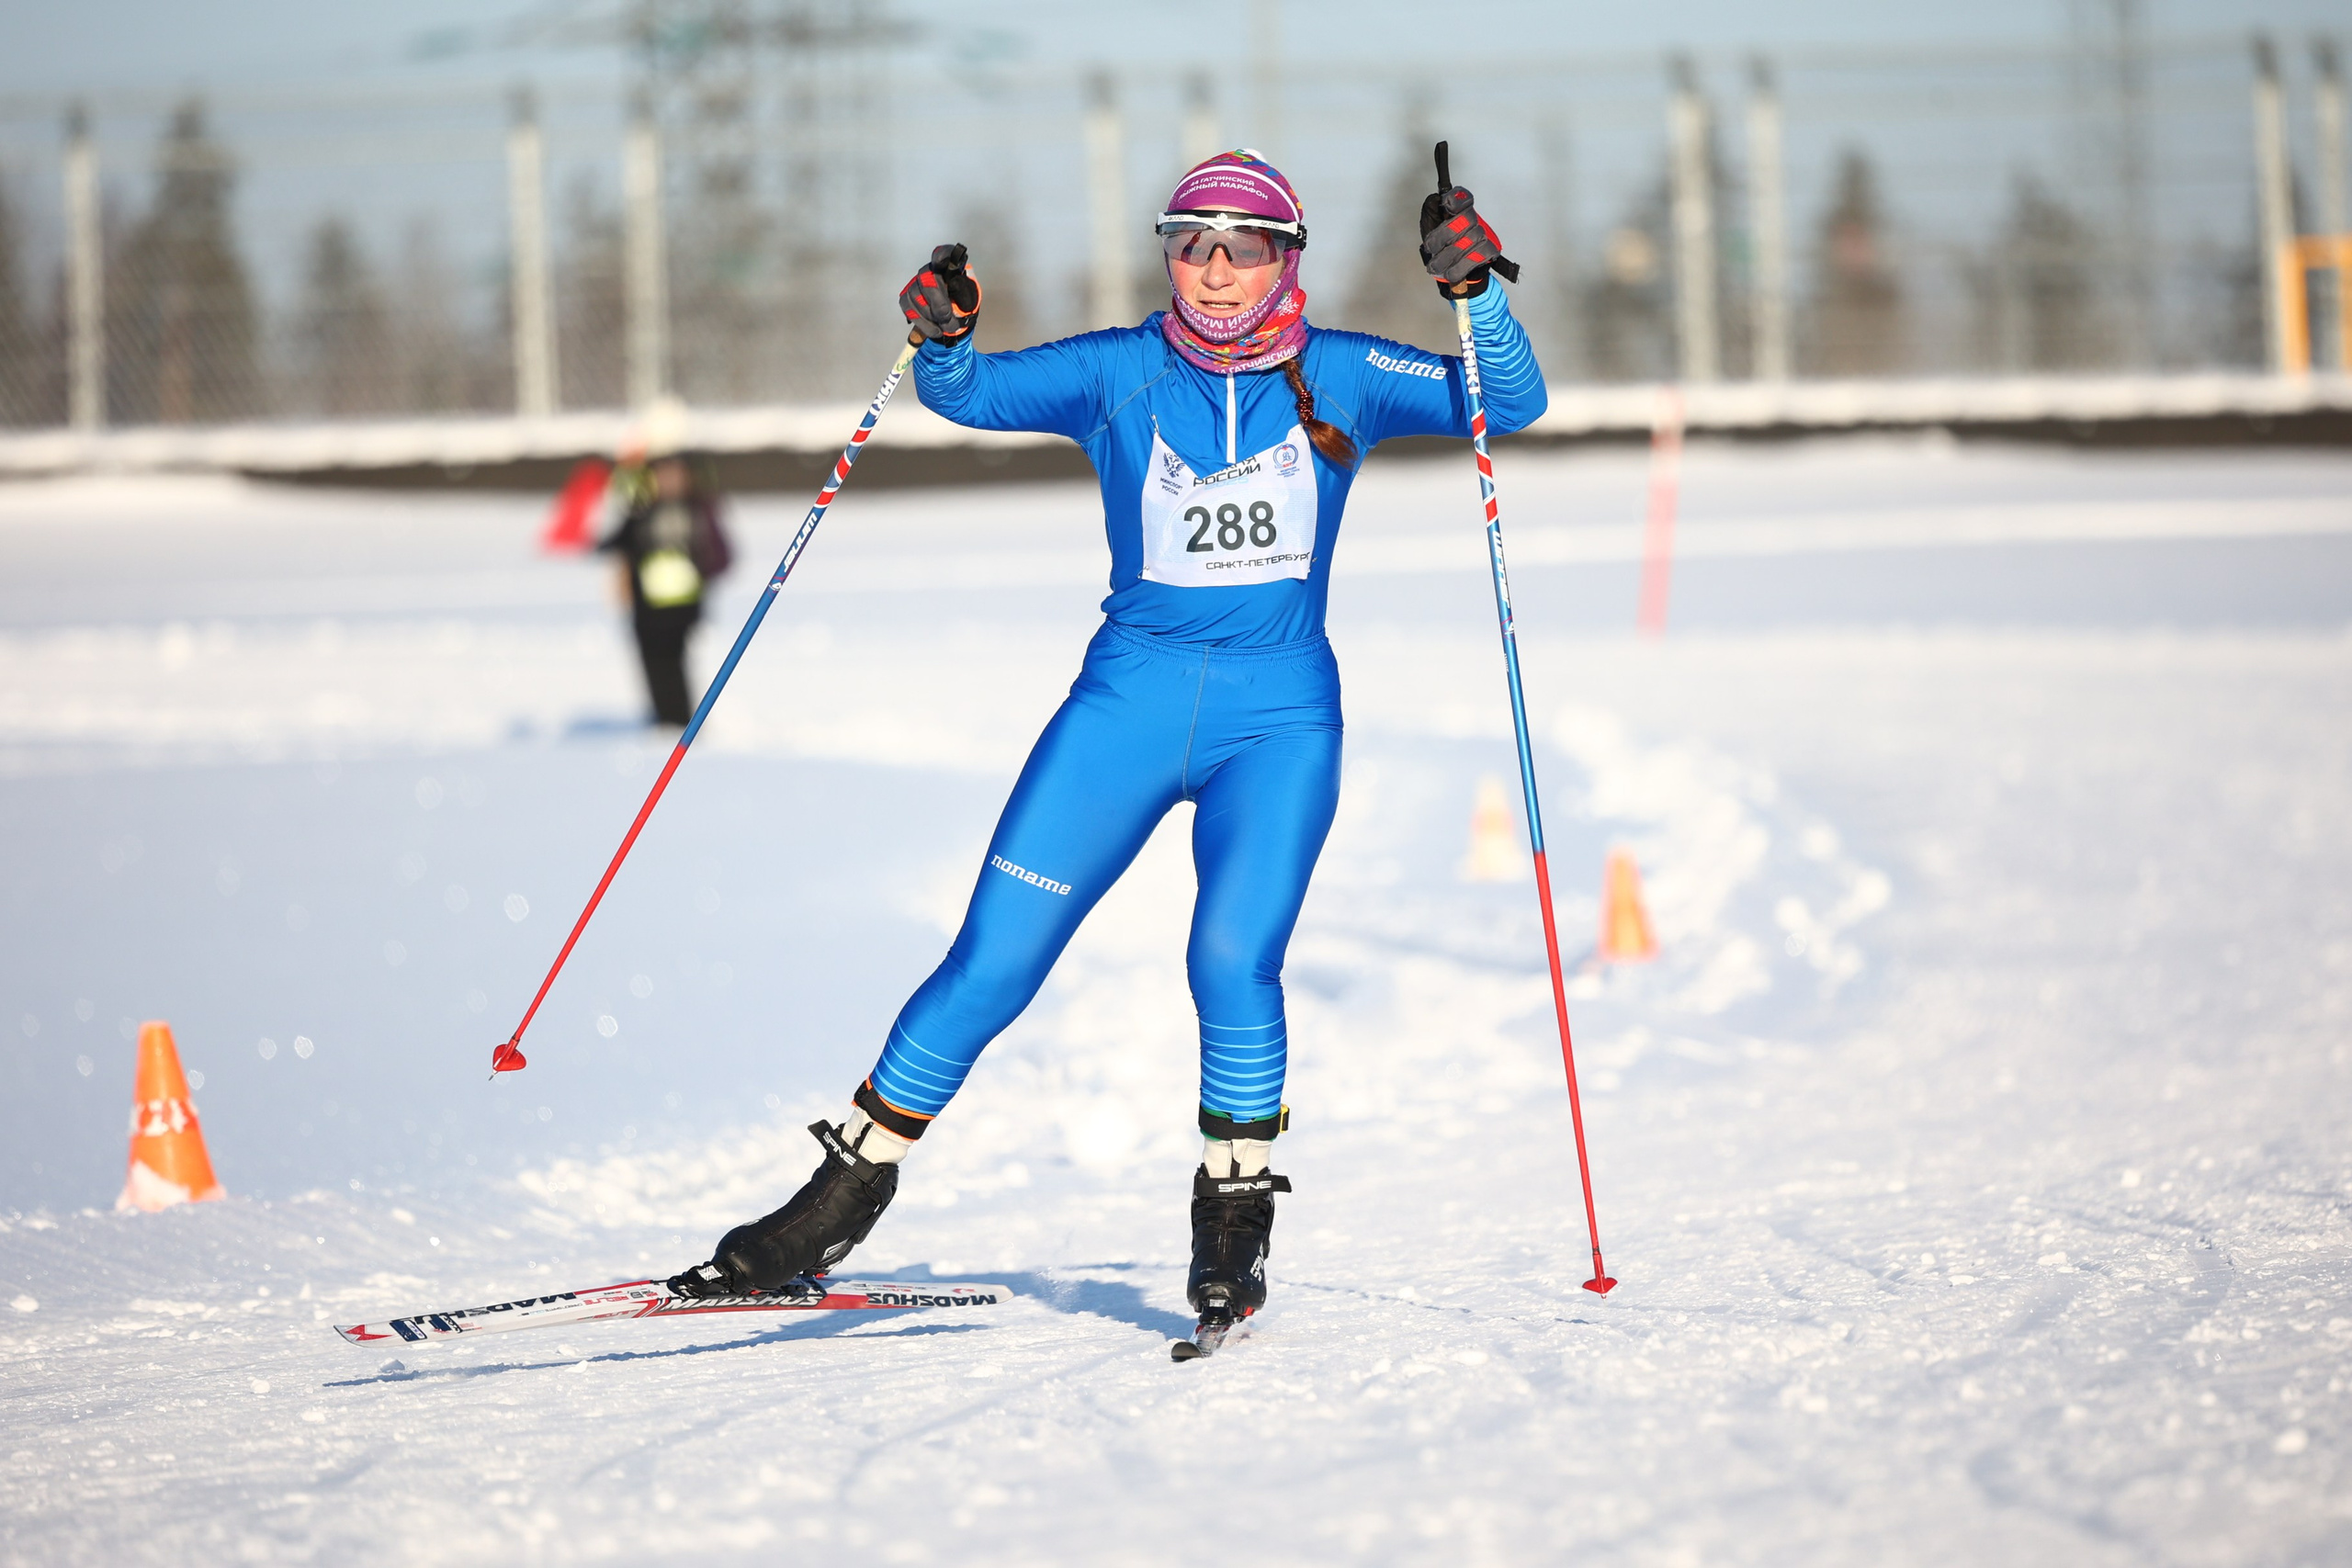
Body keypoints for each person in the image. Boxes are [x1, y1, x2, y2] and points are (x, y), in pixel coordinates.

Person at [669, 150, 1545, 1336]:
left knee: (1232, 962)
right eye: (1191, 244)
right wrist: (942, 330)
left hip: (1277, 722)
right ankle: (829, 1205)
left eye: (1244, 246)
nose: (1217, 270)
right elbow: (966, 394)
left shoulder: (1344, 369)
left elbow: (1511, 401)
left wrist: (1479, 290)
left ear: (1289, 257)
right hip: (1123, 710)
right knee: (991, 960)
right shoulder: (1120, 371)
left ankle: (1232, 1227)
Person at [596, 448, 732, 728]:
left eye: (675, 474)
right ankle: (663, 719)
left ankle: (681, 721)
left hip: (683, 606)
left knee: (674, 663)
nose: (669, 480)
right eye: (662, 474)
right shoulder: (642, 509)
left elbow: (721, 555)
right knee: (652, 663)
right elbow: (616, 542)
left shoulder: (698, 509)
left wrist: (700, 570)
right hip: (647, 606)